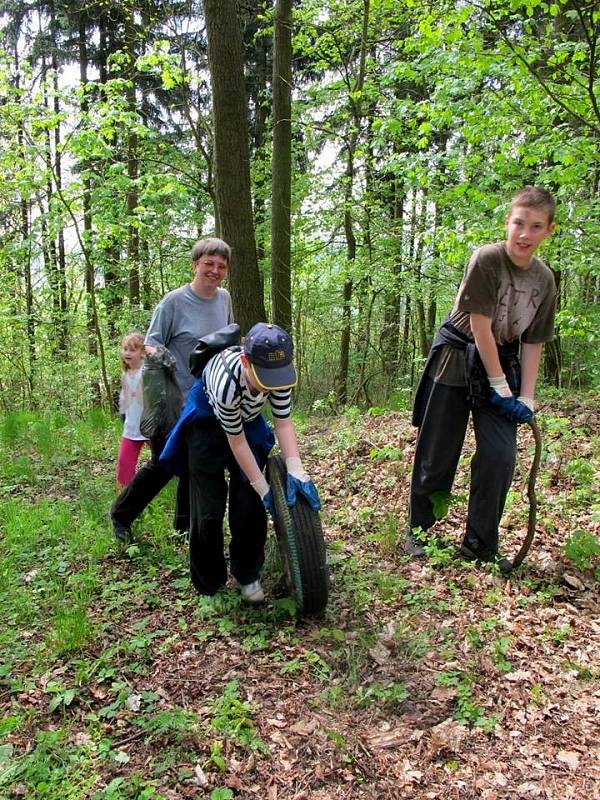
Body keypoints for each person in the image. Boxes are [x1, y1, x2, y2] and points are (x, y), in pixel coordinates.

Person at [405, 186, 557, 571]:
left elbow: (534, 341)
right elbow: (480, 326)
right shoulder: (487, 259)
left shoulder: (544, 281)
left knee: (500, 455)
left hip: (503, 360)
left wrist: (526, 397)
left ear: (548, 231)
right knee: (438, 452)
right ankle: (420, 532)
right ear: (507, 222)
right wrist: (500, 387)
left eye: (535, 226)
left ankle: (480, 543)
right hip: (458, 354)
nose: (524, 234)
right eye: (519, 223)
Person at [160, 322, 321, 604]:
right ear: (246, 361)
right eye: (264, 377)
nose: (271, 384)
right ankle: (209, 582)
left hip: (246, 420)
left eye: (277, 376)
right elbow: (236, 442)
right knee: (208, 510)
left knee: (249, 505)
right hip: (207, 422)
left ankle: (248, 574)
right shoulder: (227, 383)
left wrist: (296, 469)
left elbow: (283, 424)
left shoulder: (279, 376)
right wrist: (264, 488)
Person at [110, 237, 234, 542]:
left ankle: (184, 524)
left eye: (220, 266)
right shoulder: (173, 302)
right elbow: (149, 344)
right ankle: (121, 515)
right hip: (172, 397)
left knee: (198, 461)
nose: (214, 270)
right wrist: (169, 361)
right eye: (208, 263)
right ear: (195, 265)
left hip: (209, 397)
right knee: (165, 463)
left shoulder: (224, 299)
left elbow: (228, 338)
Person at [116, 332, 149, 488]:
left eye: (132, 349)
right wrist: (123, 414)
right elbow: (124, 398)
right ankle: (126, 496)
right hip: (131, 427)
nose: (127, 353)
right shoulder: (125, 374)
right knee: (124, 464)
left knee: (165, 459)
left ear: (143, 352)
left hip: (150, 427)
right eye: (125, 349)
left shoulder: (148, 372)